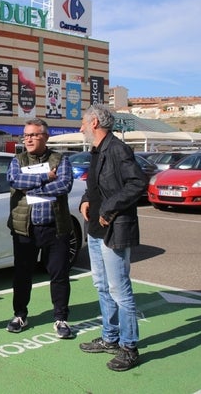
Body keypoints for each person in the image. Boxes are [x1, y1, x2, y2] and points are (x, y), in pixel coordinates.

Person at [78, 104, 147, 372]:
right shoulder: (97, 150)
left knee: (119, 289)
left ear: (94, 122)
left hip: (114, 229)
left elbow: (137, 183)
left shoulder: (117, 149)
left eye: (84, 122)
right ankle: (110, 337)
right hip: (95, 230)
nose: (81, 127)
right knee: (102, 285)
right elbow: (95, 186)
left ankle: (129, 347)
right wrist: (86, 200)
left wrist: (108, 209)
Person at [5, 118, 75, 339]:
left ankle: (61, 318)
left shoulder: (59, 159)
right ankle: (19, 315)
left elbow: (64, 184)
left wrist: (33, 188)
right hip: (25, 229)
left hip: (55, 227)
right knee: (22, 275)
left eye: (34, 135)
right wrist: (45, 177)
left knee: (59, 275)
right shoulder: (18, 160)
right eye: (26, 135)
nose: (28, 139)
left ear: (45, 136)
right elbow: (14, 180)